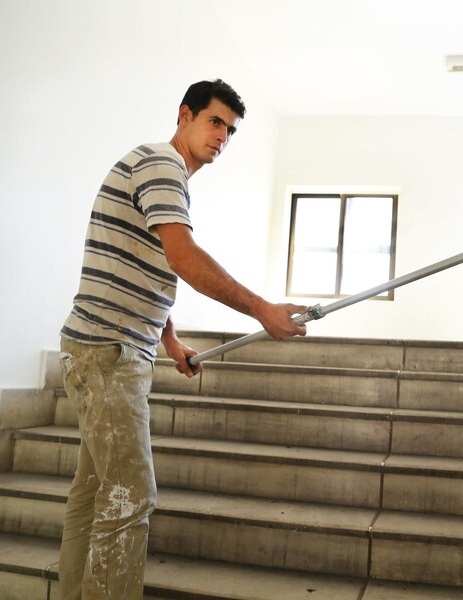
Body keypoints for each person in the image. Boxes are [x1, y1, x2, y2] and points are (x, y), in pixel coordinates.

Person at [57, 79, 307, 600]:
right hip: (108, 355)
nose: (223, 137)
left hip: (105, 348)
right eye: (215, 122)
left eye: (232, 131)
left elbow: (149, 264)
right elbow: (182, 258)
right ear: (185, 115)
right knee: (131, 498)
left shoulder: (164, 175)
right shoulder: (161, 164)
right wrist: (262, 309)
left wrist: (169, 343)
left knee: (94, 492)